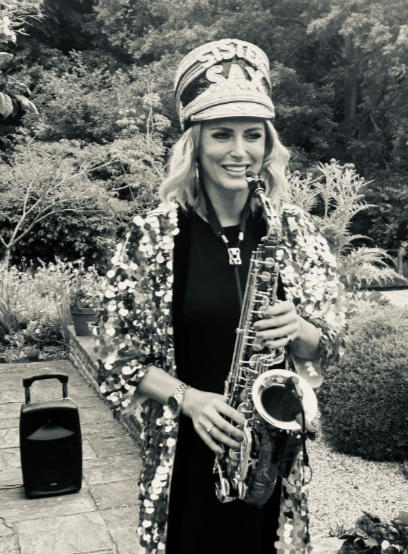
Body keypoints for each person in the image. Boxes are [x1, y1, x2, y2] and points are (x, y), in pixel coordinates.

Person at [96, 38, 346, 554]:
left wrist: (300, 330)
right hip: (189, 449)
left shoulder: (294, 231)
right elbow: (116, 358)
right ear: (195, 145)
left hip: (273, 456)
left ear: (268, 144)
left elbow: (332, 343)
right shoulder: (151, 236)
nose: (240, 151)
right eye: (222, 135)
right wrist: (189, 399)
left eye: (253, 135)